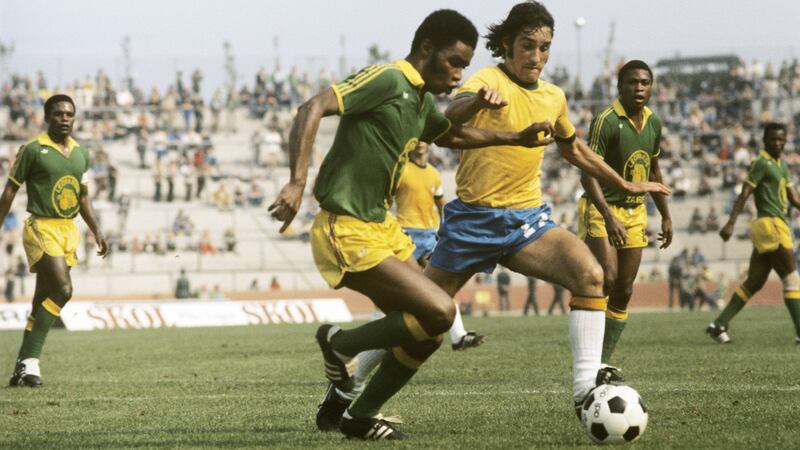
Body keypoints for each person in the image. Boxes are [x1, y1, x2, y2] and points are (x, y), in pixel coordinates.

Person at [269, 9, 555, 440]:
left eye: (465, 65)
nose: (459, 74)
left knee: (429, 332)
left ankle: (357, 417)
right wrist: (296, 181)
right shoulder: (389, 79)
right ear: (426, 49)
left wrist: (514, 137)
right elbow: (312, 107)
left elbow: (453, 135)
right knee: (442, 309)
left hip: (381, 228)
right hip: (344, 227)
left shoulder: (421, 101)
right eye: (454, 62)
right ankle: (338, 344)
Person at [423, 2, 670, 417]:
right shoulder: (487, 79)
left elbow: (573, 148)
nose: (536, 57)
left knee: (591, 276)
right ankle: (347, 387)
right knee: (423, 314)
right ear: (506, 44)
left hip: (526, 222)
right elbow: (450, 120)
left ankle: (585, 394)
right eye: (527, 46)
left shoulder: (554, 96)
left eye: (544, 47)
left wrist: (624, 183)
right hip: (473, 222)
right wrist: (479, 100)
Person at [2, 94, 108, 387]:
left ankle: (22, 368)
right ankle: (32, 360)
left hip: (67, 230)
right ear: (47, 117)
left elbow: (83, 196)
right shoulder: (34, 150)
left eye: (69, 114)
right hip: (41, 227)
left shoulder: (80, 154)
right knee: (63, 290)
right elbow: (10, 191)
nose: (65, 119)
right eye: (59, 114)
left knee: (40, 302)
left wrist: (96, 230)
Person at [577, 60, 672, 365]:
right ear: (620, 86)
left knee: (625, 289)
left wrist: (666, 215)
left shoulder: (654, 122)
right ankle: (586, 357)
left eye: (645, 82)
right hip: (601, 207)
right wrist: (608, 216)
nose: (639, 88)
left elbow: (653, 169)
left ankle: (601, 363)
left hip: (635, 212)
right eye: (632, 82)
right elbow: (587, 173)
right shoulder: (606, 120)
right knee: (606, 279)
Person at [707, 122, 800, 344]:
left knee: (755, 281)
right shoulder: (761, 163)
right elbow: (745, 193)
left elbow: (794, 199)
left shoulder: (782, 166)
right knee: (791, 279)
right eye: (772, 139)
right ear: (764, 141)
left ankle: (718, 324)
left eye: (780, 139)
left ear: (785, 141)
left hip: (772, 226)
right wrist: (730, 223)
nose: (777, 143)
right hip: (770, 225)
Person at [397, 141, 484, 349]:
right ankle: (383, 335)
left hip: (429, 236)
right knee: (399, 287)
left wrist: (447, 228)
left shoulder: (434, 173)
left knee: (442, 283)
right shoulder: (400, 169)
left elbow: (441, 204)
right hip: (404, 234)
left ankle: (458, 336)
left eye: (424, 139)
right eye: (416, 139)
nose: (420, 143)